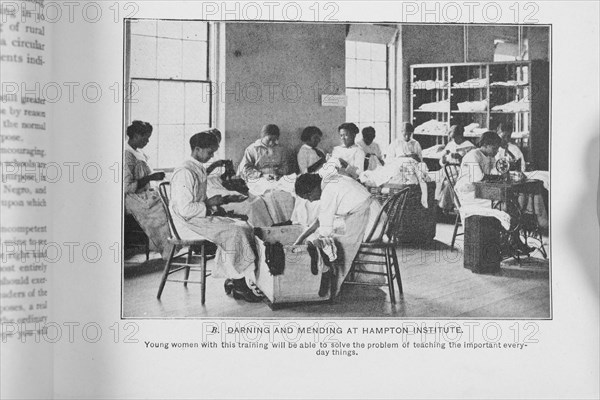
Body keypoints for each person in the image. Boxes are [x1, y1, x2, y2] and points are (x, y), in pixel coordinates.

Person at [169, 132, 262, 302]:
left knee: (244, 226)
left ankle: (235, 277)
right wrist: (209, 204)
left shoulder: (198, 168)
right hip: (186, 224)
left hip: (197, 218)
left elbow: (198, 201)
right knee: (234, 232)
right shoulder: (185, 171)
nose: (212, 156)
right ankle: (240, 284)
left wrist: (223, 200)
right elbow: (184, 209)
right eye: (209, 152)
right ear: (197, 149)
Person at [293, 172, 382, 296]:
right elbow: (320, 220)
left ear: (312, 191)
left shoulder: (328, 192)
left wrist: (317, 239)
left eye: (308, 197)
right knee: (333, 236)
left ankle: (332, 287)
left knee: (337, 245)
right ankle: (344, 278)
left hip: (372, 222)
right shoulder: (331, 180)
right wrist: (300, 238)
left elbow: (325, 229)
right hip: (374, 214)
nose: (311, 201)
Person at [455, 131, 532, 254]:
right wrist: (499, 177)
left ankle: (512, 240)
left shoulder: (491, 156)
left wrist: (503, 174)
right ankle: (508, 241)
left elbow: (495, 172)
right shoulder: (473, 155)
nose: (497, 151)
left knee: (511, 201)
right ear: (485, 144)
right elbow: (478, 178)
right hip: (468, 194)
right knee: (505, 203)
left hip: (481, 191)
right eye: (494, 148)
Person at [202, 128, 274, 227]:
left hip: (219, 184)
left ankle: (265, 229)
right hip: (209, 187)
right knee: (249, 205)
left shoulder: (216, 153)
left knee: (257, 201)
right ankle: (256, 229)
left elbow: (225, 176)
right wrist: (215, 165)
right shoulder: (202, 156)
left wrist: (228, 170)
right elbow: (201, 175)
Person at [124, 121, 171, 259]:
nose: (148, 141)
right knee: (161, 210)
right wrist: (151, 177)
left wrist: (153, 177)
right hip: (132, 198)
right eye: (146, 137)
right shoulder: (127, 154)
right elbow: (126, 187)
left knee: (169, 202)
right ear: (136, 135)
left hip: (144, 193)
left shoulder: (139, 153)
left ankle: (172, 246)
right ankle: (167, 248)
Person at [436, 124, 475, 211]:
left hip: (461, 172)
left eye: (455, 137)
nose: (454, 140)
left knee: (450, 182)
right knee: (435, 179)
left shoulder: (469, 146)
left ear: (461, 135)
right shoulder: (450, 145)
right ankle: (435, 208)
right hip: (447, 171)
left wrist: (461, 158)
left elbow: (472, 164)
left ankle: (446, 207)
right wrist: (443, 159)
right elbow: (442, 162)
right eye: (452, 138)